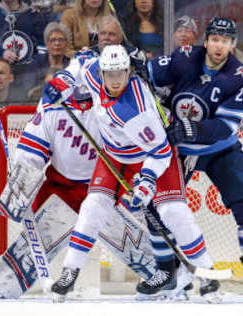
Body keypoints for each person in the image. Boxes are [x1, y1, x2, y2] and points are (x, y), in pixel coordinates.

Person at [44, 44, 218, 303]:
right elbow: (80, 63)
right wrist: (63, 82)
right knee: (93, 207)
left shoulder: (135, 110)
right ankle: (70, 272)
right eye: (110, 74)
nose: (115, 80)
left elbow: (160, 152)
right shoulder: (94, 72)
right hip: (114, 155)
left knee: (173, 213)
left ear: (129, 72)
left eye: (120, 74)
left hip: (155, 155)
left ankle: (207, 275)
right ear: (102, 72)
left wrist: (146, 183)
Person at [146, 17, 243, 303]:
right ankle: (165, 271)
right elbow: (146, 75)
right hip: (178, 152)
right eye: (215, 40)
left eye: (226, 41)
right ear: (206, 40)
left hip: (220, 149)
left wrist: (190, 129)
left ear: (232, 45)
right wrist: (136, 63)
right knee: (156, 206)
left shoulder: (239, 75)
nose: (220, 46)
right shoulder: (184, 57)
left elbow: (226, 126)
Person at [0, 80, 160, 299]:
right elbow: (33, 149)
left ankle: (170, 277)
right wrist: (24, 179)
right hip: (60, 189)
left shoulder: (110, 108)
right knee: (5, 285)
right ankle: (9, 279)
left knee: (146, 246)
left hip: (104, 188)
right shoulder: (52, 106)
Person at [19, 22, 71, 94]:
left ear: (67, 44)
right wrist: (45, 84)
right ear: (47, 44)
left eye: (61, 40)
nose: (57, 43)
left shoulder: (72, 65)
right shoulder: (34, 64)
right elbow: (28, 93)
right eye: (52, 40)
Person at [0, 0, 46, 64]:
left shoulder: (34, 15)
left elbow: (42, 47)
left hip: (28, 70)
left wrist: (32, 61)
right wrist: (0, 53)